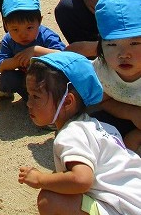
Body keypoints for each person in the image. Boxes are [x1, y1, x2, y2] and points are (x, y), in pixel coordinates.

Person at [19, 52, 141, 215]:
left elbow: (81, 180)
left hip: (124, 209)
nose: (28, 103)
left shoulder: (71, 134)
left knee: (49, 199)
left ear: (67, 101)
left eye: (36, 96)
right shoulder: (102, 127)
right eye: (29, 95)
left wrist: (40, 179)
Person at [0, 0, 65, 104]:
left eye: (29, 28)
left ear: (39, 21)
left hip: (49, 82)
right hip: (26, 81)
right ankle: (5, 91)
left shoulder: (47, 36)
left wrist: (36, 50)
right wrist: (17, 61)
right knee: (6, 78)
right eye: (15, 29)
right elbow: (0, 66)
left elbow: (65, 56)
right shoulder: (9, 40)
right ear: (6, 25)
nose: (23, 34)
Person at [90, 0, 141, 154]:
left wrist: (136, 135)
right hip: (126, 115)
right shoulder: (102, 69)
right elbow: (104, 101)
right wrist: (133, 113)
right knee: (90, 127)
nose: (123, 54)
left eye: (135, 43)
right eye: (112, 44)